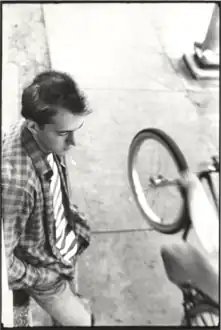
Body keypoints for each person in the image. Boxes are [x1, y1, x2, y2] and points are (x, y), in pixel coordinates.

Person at [2, 70, 94, 326]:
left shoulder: (46, 139)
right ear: (33, 126)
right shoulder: (18, 184)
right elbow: (3, 264)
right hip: (45, 270)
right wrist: (41, 277)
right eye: (65, 133)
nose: (73, 142)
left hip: (61, 247)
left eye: (77, 130)